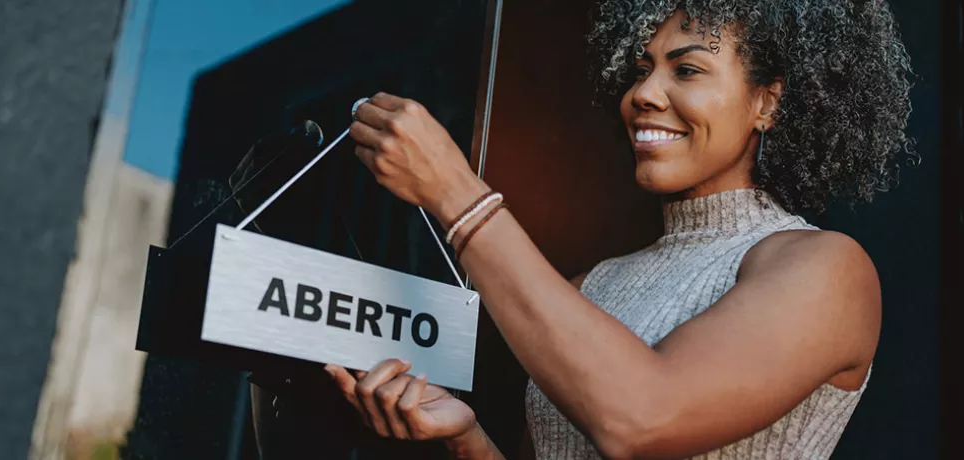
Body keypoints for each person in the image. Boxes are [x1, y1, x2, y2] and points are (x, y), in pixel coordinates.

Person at [327, 0, 914, 457]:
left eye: (687, 69)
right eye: (640, 70)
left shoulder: (824, 268)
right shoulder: (592, 286)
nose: (643, 94)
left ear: (768, 102)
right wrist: (467, 441)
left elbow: (640, 417)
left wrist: (457, 194)